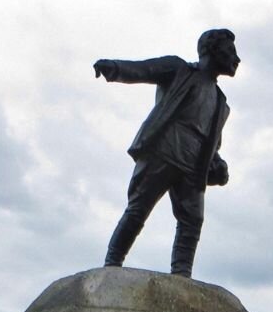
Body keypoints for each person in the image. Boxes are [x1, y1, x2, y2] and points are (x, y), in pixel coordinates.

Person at [94, 29, 240, 277]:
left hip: (194, 167)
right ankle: (112, 265)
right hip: (163, 150)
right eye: (231, 51)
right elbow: (144, 70)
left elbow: (212, 144)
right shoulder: (179, 70)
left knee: (192, 221)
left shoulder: (221, 103)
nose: (236, 59)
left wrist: (218, 164)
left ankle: (182, 274)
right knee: (139, 208)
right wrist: (115, 68)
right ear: (212, 50)